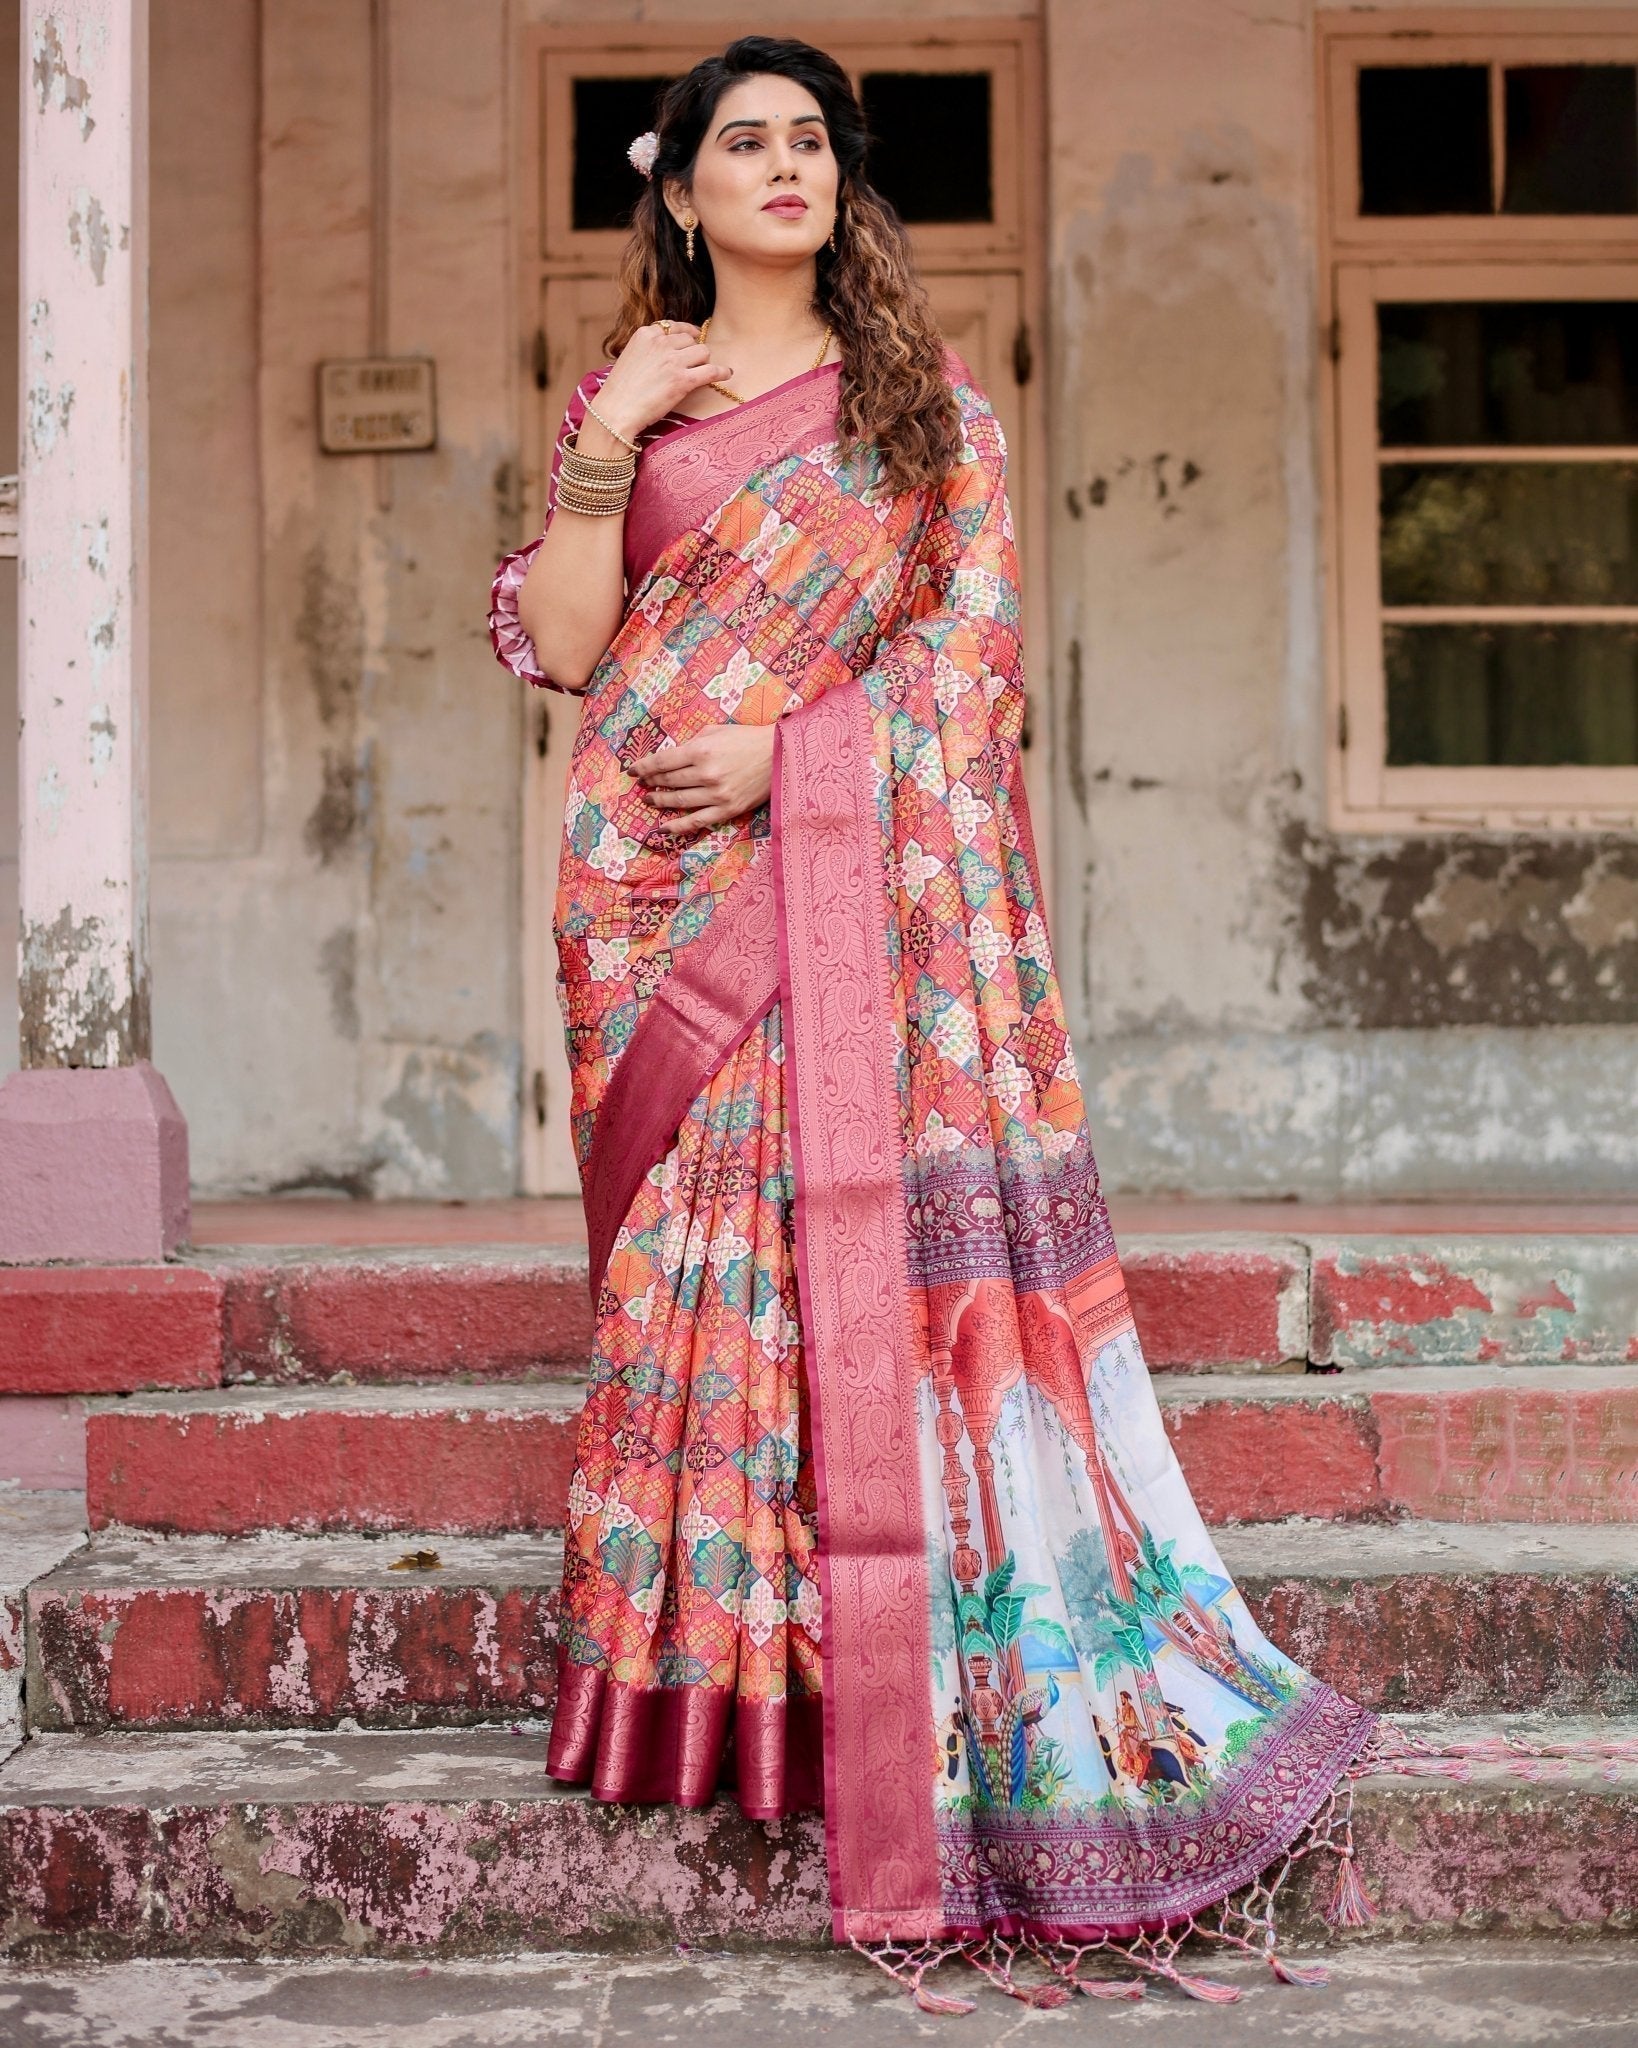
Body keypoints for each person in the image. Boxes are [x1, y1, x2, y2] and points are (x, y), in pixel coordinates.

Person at [490, 33, 1379, 2011]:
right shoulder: (632, 396)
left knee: (847, 1270)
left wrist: (792, 745)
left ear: (841, 182)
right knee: (691, 1292)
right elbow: (560, 647)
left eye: (813, 139)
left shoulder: (924, 407)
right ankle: (704, 1702)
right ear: (684, 189)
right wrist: (600, 447)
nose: (786, 165)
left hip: (843, 893)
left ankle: (871, 1709)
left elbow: (972, 667)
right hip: (655, 907)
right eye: (746, 140)